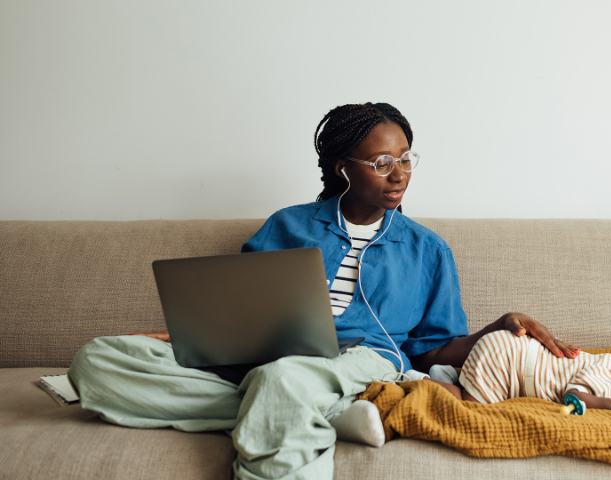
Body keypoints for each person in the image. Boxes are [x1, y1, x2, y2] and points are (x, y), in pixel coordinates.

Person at [67, 102, 580, 480]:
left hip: (363, 360)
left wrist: (497, 326)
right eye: (381, 163)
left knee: (284, 378)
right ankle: (330, 413)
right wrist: (173, 335)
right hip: (265, 360)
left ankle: (295, 401)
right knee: (96, 360)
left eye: (406, 158)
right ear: (343, 168)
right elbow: (240, 311)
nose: (398, 173)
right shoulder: (288, 225)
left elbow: (429, 350)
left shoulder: (428, 250)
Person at [428, 330, 611, 411]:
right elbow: (575, 396)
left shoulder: (599, 366)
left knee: (475, 393)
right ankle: (422, 382)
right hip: (509, 361)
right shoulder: (608, 377)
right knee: (471, 405)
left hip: (508, 351)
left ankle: (453, 374)